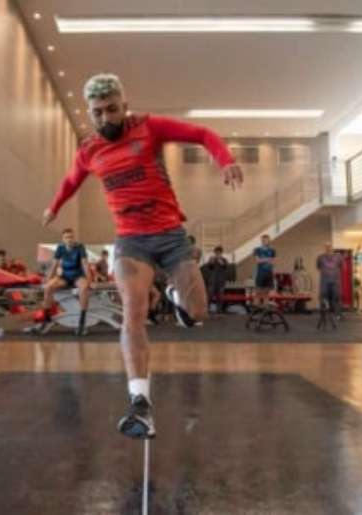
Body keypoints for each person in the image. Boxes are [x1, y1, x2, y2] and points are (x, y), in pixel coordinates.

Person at [42, 73, 243, 439]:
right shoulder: (89, 151)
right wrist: (54, 207)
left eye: (112, 110)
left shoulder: (148, 128)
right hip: (131, 241)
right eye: (98, 112)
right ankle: (139, 402)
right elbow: (71, 181)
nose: (106, 118)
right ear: (89, 113)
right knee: (132, 313)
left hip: (170, 236)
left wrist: (224, 160)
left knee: (198, 313)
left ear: (124, 106)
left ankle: (171, 293)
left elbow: (202, 134)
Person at [34, 228, 92, 336]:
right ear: (63, 239)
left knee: (84, 288)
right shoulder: (60, 248)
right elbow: (54, 265)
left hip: (78, 276)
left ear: (74, 237)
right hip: (65, 276)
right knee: (48, 287)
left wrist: (89, 280)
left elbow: (84, 264)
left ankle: (82, 322)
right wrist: (48, 280)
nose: (69, 239)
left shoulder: (80, 247)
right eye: (67, 237)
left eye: (71, 237)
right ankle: (46, 319)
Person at [316, 244, 343, 318]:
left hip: (335, 281)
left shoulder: (338, 257)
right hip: (325, 281)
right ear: (325, 248)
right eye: (327, 247)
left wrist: (334, 273)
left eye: (330, 247)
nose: (328, 248)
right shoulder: (320, 257)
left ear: (332, 248)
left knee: (336, 297)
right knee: (323, 297)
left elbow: (341, 267)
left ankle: (338, 314)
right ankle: (323, 315)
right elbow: (318, 267)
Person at [201, 246, 229, 312]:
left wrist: (221, 261)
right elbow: (209, 266)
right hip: (212, 281)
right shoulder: (211, 258)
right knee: (209, 296)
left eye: (219, 252)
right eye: (217, 252)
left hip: (221, 281)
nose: (218, 254)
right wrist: (212, 261)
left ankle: (219, 310)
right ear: (215, 252)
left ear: (221, 253)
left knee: (220, 297)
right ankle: (206, 310)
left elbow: (225, 266)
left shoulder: (224, 259)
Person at [253, 234, 276, 306]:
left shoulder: (272, 250)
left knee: (266, 293)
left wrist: (263, 260)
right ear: (262, 241)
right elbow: (257, 261)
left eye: (267, 240)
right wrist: (268, 259)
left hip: (269, 273)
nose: (265, 242)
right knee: (258, 293)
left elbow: (273, 262)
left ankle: (265, 311)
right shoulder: (257, 250)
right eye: (264, 240)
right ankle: (255, 311)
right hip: (260, 273)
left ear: (269, 241)